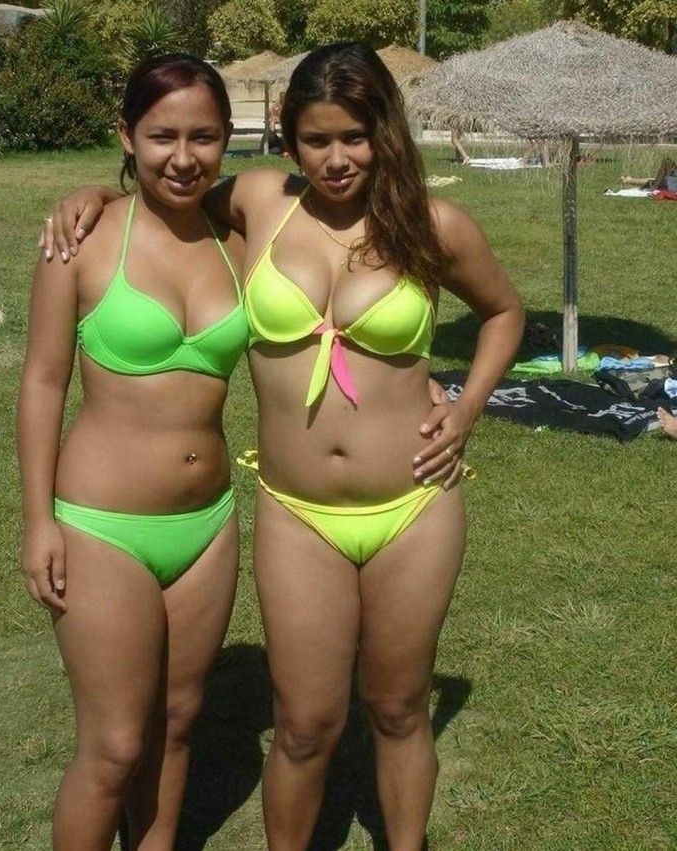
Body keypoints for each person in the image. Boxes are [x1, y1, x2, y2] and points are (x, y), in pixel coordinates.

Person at [42, 42, 524, 850]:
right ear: (287, 139)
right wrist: (93, 195)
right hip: (297, 512)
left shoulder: (432, 225)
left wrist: (468, 403)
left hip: (414, 502)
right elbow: (167, 191)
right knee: (302, 725)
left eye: (355, 137)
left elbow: (505, 311)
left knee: (399, 708)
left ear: (385, 132)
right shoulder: (262, 201)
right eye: (316, 139)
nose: (337, 159)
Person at [17, 54, 250, 851]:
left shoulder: (238, 238)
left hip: (208, 526)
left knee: (177, 722)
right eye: (161, 136)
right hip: (100, 525)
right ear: (126, 135)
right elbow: (43, 382)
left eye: (203, 136)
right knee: (114, 745)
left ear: (228, 138)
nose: (183, 157)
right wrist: (38, 522)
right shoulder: (79, 241)